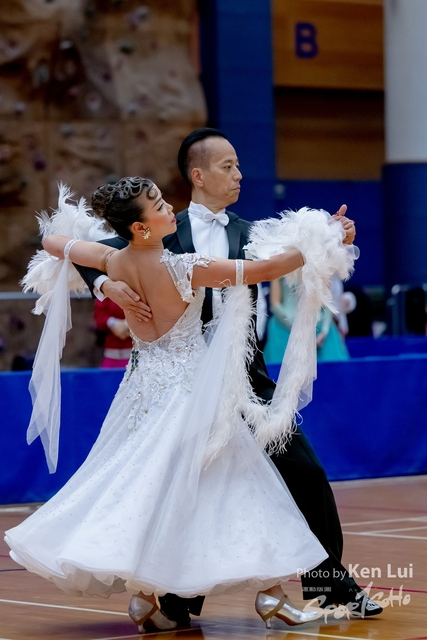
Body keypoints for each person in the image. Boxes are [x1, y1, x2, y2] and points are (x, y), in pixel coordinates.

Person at [74, 129, 382, 623]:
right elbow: (88, 253)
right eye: (228, 166)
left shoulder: (252, 231)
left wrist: (331, 235)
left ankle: (331, 588)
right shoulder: (159, 228)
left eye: (238, 165)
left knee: (305, 472)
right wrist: (106, 284)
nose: (239, 174)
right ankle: (178, 600)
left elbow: (290, 255)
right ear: (198, 175)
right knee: (191, 485)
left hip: (246, 377)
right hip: (188, 382)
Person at [5, 177, 330, 634]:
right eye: (157, 205)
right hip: (192, 393)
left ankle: (147, 597)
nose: (167, 208)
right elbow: (266, 269)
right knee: (238, 484)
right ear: (140, 228)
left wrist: (107, 286)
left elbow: (52, 242)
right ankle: (271, 598)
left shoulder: (111, 260)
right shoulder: (185, 267)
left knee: (147, 485)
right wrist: (324, 236)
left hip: (141, 391)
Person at [264, 277, 350, 364]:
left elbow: (327, 302)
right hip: (284, 329)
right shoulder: (278, 270)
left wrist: (324, 331)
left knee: (331, 369)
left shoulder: (322, 268)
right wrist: (296, 328)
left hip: (319, 329)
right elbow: (275, 304)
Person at [93, 298, 132, 368]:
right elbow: (99, 314)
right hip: (111, 357)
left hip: (136, 356)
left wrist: (129, 324)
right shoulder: (106, 294)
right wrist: (113, 323)